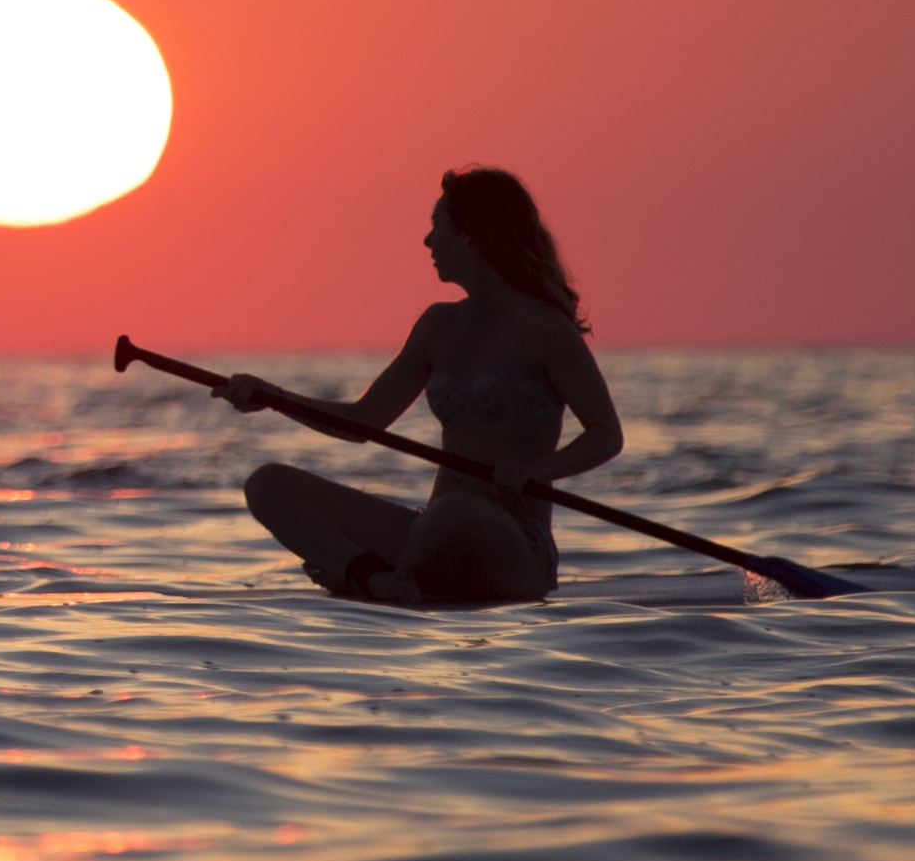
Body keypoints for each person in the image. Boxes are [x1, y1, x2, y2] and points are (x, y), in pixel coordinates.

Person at [233, 166, 625, 605]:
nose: (427, 241)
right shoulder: (438, 325)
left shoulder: (545, 330)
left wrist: (539, 470)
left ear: (472, 236)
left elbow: (606, 434)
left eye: (437, 226)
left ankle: (383, 577)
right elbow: (363, 422)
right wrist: (274, 398)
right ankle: (371, 578)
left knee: (456, 512)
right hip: (432, 531)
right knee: (267, 484)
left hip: (513, 549)